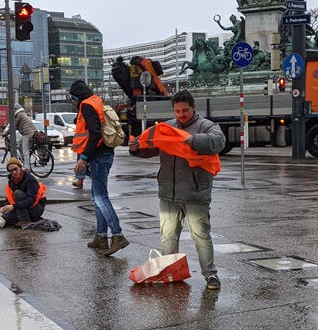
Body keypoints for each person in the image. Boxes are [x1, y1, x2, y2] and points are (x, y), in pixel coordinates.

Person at [129, 90, 225, 290]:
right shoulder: (167, 127)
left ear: (193, 107)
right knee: (168, 236)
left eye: (185, 110)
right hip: (168, 193)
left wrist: (192, 140)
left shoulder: (207, 126)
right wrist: (136, 148)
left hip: (195, 193)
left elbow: (218, 142)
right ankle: (170, 272)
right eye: (177, 111)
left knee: (201, 235)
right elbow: (151, 149)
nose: (181, 114)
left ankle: (210, 275)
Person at [70, 79, 129, 256]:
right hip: (103, 155)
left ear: (75, 96)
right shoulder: (96, 101)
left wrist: (84, 157)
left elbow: (95, 133)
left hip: (98, 156)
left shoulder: (87, 106)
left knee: (100, 197)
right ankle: (101, 237)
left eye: (72, 99)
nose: (73, 102)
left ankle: (117, 235)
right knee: (97, 198)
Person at [0, 157, 46, 226]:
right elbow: (10, 198)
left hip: (35, 208)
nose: (14, 172)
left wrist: (13, 206)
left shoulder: (30, 179)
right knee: (3, 219)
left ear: (20, 167)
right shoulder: (11, 181)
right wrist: (5, 207)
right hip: (20, 208)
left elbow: (31, 200)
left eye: (15, 169)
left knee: (17, 193)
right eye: (11, 171)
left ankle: (25, 220)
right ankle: (27, 218)